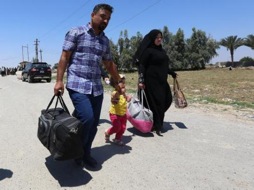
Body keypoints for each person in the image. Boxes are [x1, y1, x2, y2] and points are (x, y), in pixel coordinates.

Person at [54, 3, 122, 168]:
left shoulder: (104, 40)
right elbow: (64, 57)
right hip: (77, 84)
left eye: (108, 18)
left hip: (96, 88)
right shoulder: (76, 32)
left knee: (91, 124)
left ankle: (85, 152)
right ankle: (77, 150)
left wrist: (117, 81)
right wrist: (59, 80)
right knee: (88, 118)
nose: (105, 20)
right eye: (103, 16)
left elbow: (109, 63)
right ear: (93, 15)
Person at [134, 29, 177, 136]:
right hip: (150, 82)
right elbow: (142, 66)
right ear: (152, 38)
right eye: (157, 37)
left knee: (166, 100)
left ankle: (156, 122)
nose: (159, 39)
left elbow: (163, 66)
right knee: (154, 103)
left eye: (161, 37)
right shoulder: (148, 51)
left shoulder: (162, 51)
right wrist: (141, 80)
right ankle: (156, 125)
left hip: (161, 81)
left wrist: (171, 73)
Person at [104, 74, 131, 146]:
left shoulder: (123, 93)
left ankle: (117, 139)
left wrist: (128, 98)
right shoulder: (115, 93)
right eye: (121, 82)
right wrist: (117, 96)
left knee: (122, 128)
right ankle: (108, 132)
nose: (123, 84)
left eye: (124, 82)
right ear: (115, 85)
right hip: (114, 114)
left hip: (123, 114)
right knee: (117, 127)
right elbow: (114, 101)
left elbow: (125, 99)